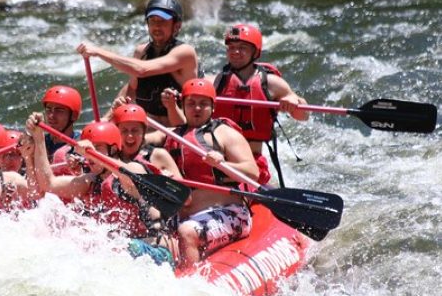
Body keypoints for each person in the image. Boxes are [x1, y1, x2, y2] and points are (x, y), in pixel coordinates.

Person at [26, 114, 176, 265]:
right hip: (119, 252)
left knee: (119, 244)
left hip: (157, 252)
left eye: (98, 148)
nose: (90, 155)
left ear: (113, 149)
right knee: (75, 239)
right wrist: (39, 139)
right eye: (90, 149)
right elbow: (49, 184)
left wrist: (95, 155)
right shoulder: (91, 181)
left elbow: (129, 175)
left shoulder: (132, 169)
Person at [150, 78, 260, 268]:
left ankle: (189, 282)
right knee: (153, 234)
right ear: (183, 106)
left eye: (203, 104)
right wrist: (125, 116)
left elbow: (252, 173)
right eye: (191, 103)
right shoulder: (172, 134)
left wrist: (223, 164)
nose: (197, 109)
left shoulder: (224, 133)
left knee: (187, 232)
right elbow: (135, 137)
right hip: (185, 213)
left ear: (213, 107)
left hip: (230, 214)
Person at [76, 0, 198, 125]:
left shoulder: (185, 52)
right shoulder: (142, 52)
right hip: (149, 125)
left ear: (177, 26)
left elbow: (142, 70)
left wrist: (98, 51)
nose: (156, 27)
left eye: (162, 21)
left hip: (180, 128)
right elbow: (132, 88)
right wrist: (107, 118)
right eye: (152, 21)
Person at [212, 23, 309, 186]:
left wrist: (294, 102)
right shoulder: (217, 81)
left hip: (252, 163)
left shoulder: (272, 83)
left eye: (242, 47)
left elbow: (303, 115)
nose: (235, 52)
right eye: (232, 47)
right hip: (218, 159)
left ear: (255, 52)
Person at [40, 85, 83, 174]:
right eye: (48, 110)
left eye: (59, 110)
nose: (51, 116)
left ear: (73, 116)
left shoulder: (81, 145)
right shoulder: (39, 141)